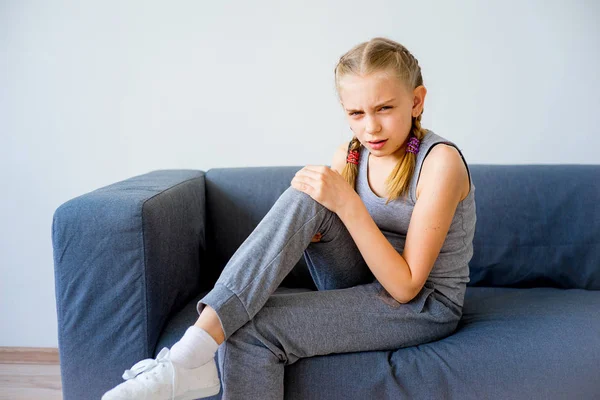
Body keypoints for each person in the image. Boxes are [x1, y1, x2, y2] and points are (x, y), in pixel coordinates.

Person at [102, 36, 476, 400]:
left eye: (384, 109)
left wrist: (348, 205)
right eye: (356, 113)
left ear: (416, 101)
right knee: (309, 190)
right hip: (362, 279)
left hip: (421, 305)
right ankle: (190, 355)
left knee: (249, 329)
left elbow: (407, 287)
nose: (371, 128)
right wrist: (316, 227)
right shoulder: (350, 154)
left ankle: (187, 359)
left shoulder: (440, 163)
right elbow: (340, 233)